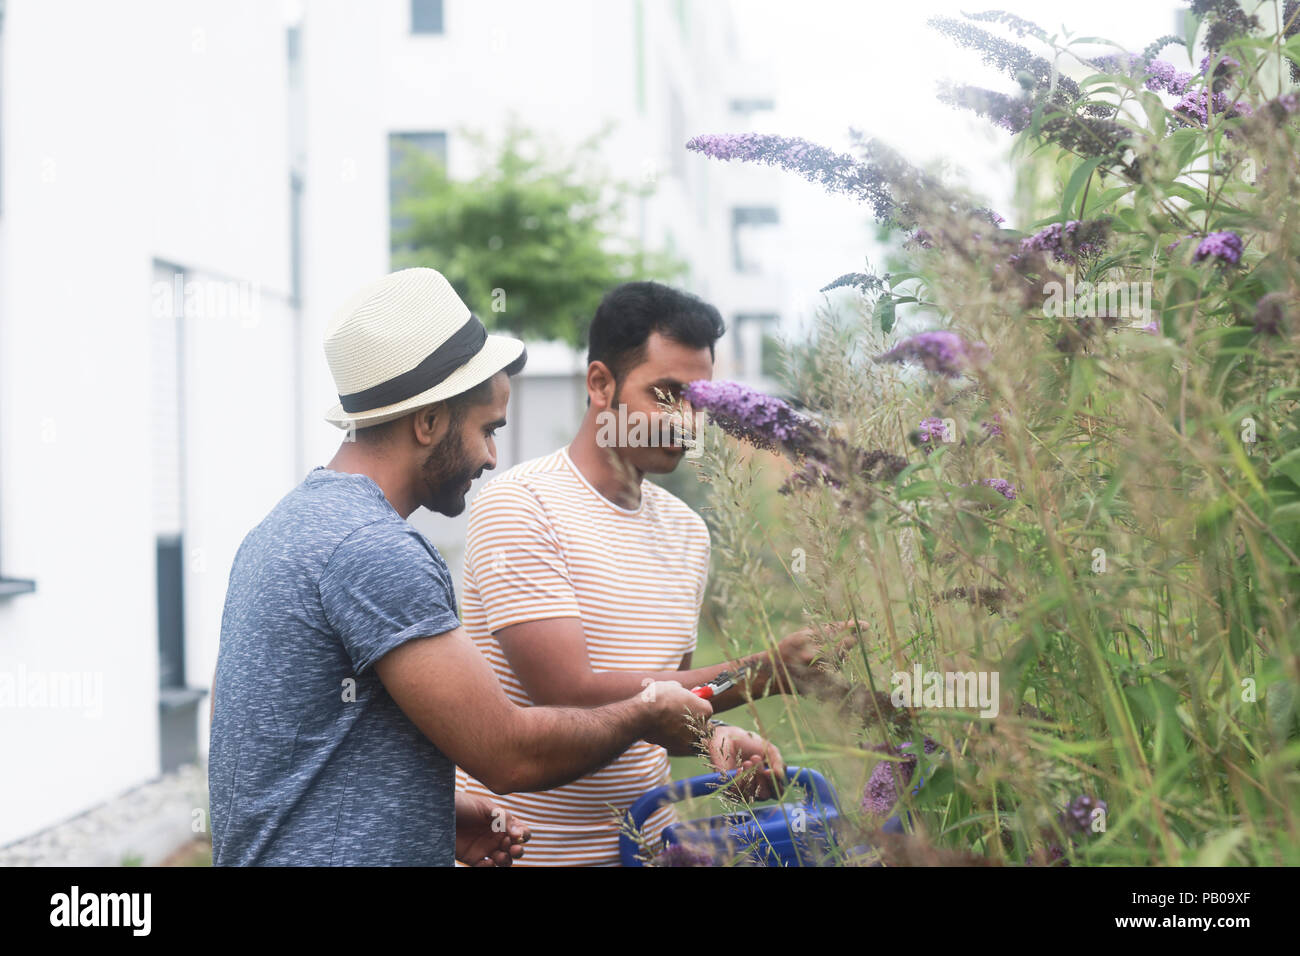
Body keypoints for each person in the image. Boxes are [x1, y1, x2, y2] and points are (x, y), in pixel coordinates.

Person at [208, 268, 711, 866]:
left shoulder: (283, 529)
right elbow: (506, 753)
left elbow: (276, 755)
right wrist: (645, 712)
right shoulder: (375, 548)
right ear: (428, 422)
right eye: (486, 429)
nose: (492, 457)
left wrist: (434, 814)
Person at [455, 281, 851, 866]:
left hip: (648, 850)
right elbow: (565, 693)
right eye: (665, 393)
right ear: (600, 384)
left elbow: (661, 709)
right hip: (524, 855)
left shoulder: (686, 531)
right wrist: (768, 673)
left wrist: (715, 739)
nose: (686, 420)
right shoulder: (520, 506)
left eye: (699, 399)